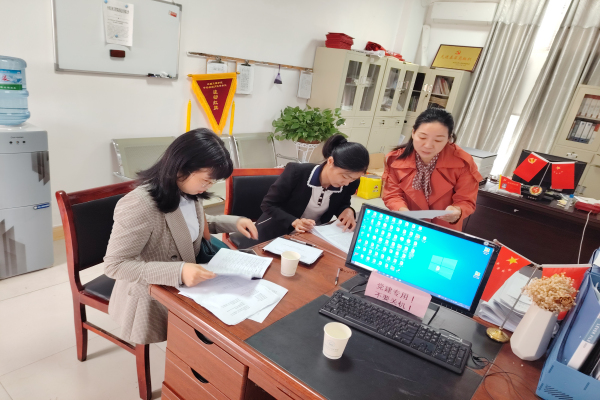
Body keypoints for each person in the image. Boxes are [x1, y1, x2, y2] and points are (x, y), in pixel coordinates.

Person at [103, 129, 258, 344]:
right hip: (153, 292)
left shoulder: (188, 190)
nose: (208, 187)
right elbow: (115, 265)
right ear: (182, 168)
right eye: (206, 180)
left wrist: (234, 222)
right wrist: (179, 271)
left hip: (189, 284)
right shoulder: (140, 204)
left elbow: (190, 225)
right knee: (201, 341)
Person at [235, 135, 370, 248]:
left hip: (312, 235)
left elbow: (342, 203)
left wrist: (347, 210)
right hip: (276, 231)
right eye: (345, 176)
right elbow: (268, 204)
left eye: (353, 179)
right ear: (330, 161)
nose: (347, 183)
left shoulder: (350, 182)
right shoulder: (297, 172)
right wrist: (294, 221)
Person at [382, 108, 481, 231]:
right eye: (422, 137)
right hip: (409, 225)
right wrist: (402, 211)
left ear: (448, 139)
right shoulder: (395, 159)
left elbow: (466, 200)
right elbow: (392, 195)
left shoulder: (463, 163)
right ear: (413, 133)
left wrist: (457, 211)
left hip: (444, 228)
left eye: (438, 140)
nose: (428, 145)